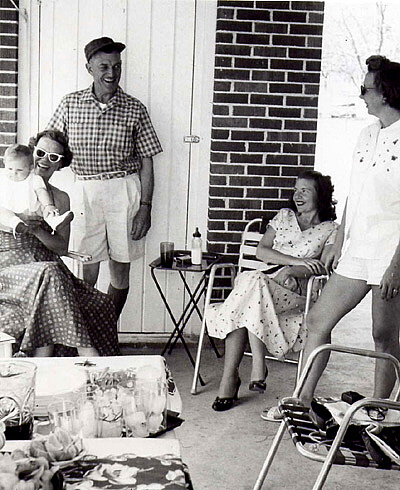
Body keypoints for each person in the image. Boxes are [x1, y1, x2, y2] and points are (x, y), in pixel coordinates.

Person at [297, 55, 400, 422]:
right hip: (358, 249)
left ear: (386, 93)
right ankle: (303, 399)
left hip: (393, 254)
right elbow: (355, 194)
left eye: (365, 89)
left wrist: (395, 268)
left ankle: (379, 409)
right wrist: (339, 240)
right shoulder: (365, 133)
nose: (361, 97)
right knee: (318, 320)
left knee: (383, 335)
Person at [47, 36, 163, 319]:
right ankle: (85, 334)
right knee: (87, 268)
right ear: (89, 68)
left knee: (120, 267)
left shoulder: (135, 108)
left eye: (116, 66)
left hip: (123, 190)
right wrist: (41, 193)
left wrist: (145, 208)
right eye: (104, 67)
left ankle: (106, 331)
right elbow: (48, 148)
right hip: (85, 191)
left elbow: (147, 162)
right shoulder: (70, 104)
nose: (111, 73)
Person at [207, 170, 338, 412]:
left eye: (304, 191)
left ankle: (234, 377)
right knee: (252, 286)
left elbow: (321, 267)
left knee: (248, 287)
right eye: (296, 189)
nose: (297, 195)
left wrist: (292, 271)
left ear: (320, 195)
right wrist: (293, 262)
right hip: (266, 281)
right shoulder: (284, 216)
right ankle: (254, 366)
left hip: (295, 291)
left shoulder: (330, 229)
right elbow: (261, 251)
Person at [0, 129, 120, 357]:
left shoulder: (60, 198)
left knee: (100, 303)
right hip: (8, 267)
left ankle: (47, 362)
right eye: (41, 152)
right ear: (31, 151)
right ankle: (88, 354)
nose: (45, 160)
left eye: (53, 157)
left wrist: (36, 230)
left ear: (60, 164)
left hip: (45, 264)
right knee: (51, 273)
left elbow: (61, 248)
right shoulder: (5, 186)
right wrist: (18, 221)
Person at [0, 144, 73, 235]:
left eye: (19, 170)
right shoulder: (2, 178)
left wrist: (48, 205)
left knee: (43, 208)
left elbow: (41, 191)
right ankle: (16, 224)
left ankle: (54, 221)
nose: (14, 173)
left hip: (31, 209)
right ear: (4, 163)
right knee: (2, 212)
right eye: (10, 169)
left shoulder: (34, 179)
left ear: (30, 168)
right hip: (9, 209)